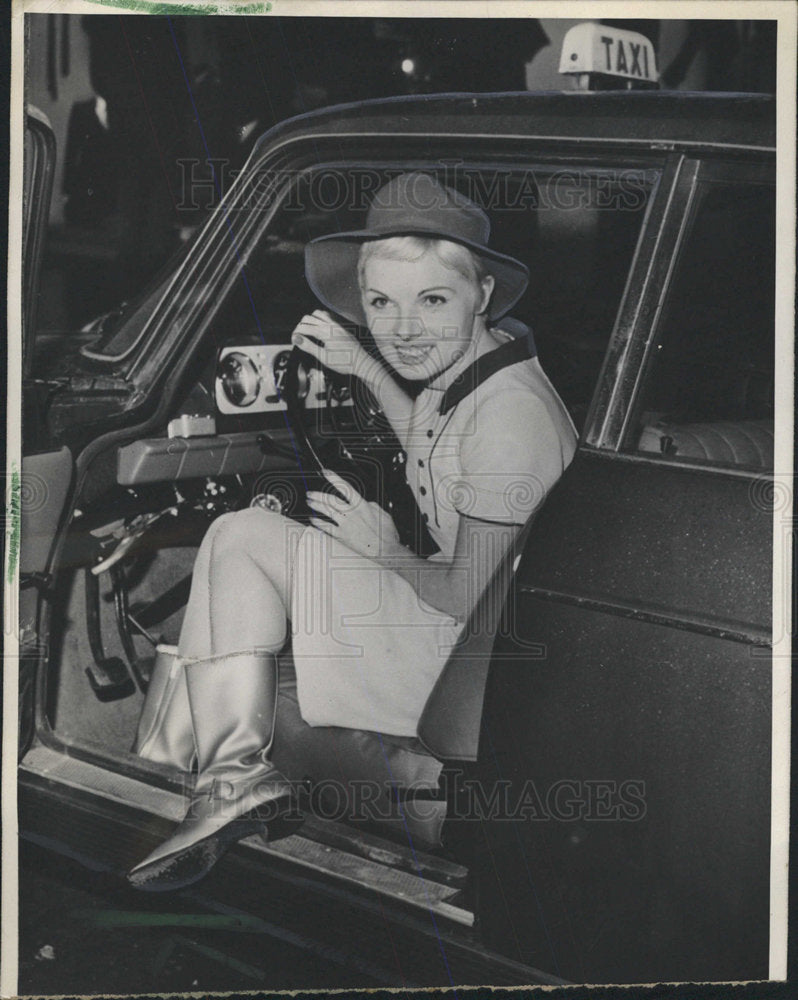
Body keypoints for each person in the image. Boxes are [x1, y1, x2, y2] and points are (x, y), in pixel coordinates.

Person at [127, 172, 577, 891]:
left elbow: (467, 596)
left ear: (482, 292)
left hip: (475, 674)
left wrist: (384, 551)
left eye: (432, 300)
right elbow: (434, 439)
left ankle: (219, 772)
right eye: (380, 303)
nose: (401, 329)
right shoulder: (483, 365)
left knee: (241, 538)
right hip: (472, 646)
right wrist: (364, 368)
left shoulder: (510, 419)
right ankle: (213, 774)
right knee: (243, 539)